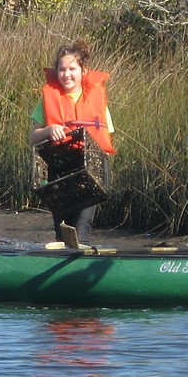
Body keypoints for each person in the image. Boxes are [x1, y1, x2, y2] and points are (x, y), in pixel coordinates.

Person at [29, 39, 115, 244]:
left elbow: (105, 136)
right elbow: (33, 137)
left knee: (82, 229)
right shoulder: (48, 98)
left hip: (89, 173)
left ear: (83, 71)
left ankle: (79, 268)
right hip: (60, 173)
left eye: (72, 69)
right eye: (61, 69)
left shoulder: (96, 98)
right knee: (63, 232)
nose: (66, 74)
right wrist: (49, 130)